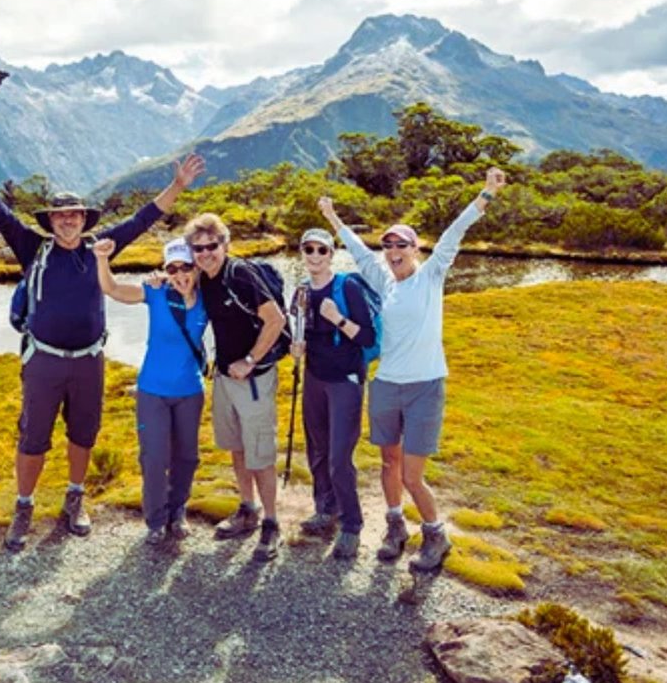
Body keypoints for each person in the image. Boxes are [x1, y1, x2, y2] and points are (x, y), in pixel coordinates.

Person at [0, 141, 205, 552]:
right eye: (60, 215)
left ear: (84, 219)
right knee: (33, 436)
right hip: (44, 360)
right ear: (51, 220)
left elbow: (144, 219)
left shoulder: (100, 246)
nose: (68, 220)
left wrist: (177, 186)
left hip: (89, 360)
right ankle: (24, 507)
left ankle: (75, 498)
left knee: (83, 434)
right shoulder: (32, 248)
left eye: (74, 215)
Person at [319, 167, 506, 572]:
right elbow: (358, 251)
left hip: (425, 386)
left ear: (415, 249)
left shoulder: (432, 275)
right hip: (386, 384)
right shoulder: (384, 281)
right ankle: (395, 527)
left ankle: (436, 534)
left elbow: (454, 233)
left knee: (412, 475)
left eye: (400, 244)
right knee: (389, 463)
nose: (392, 250)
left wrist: (486, 195)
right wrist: (333, 220)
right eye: (388, 245)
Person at [183, 212, 288, 562]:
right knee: (237, 447)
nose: (205, 253)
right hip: (225, 378)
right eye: (198, 248)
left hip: (254, 379)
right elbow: (180, 282)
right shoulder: (205, 277)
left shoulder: (239, 274)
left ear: (225, 245)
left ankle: (272, 523)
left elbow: (276, 320)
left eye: (212, 246)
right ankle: (248, 509)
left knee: (260, 453)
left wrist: (251, 360)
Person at [93, 236, 209, 546]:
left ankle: (178, 511)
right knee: (155, 458)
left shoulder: (208, 297)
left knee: (187, 457)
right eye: (173, 268)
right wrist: (103, 259)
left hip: (190, 391)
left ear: (196, 267)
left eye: (186, 267)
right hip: (152, 391)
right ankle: (156, 520)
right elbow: (112, 289)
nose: (180, 275)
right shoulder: (156, 293)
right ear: (165, 270)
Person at [290, 227, 376, 560]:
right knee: (318, 451)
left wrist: (337, 318)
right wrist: (295, 348)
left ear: (332, 253)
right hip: (314, 378)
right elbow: (296, 333)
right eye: (308, 249)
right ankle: (325, 509)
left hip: (346, 380)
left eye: (321, 250)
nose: (314, 256)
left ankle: (352, 525)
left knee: (340, 458)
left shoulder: (348, 287)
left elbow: (366, 338)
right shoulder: (299, 292)